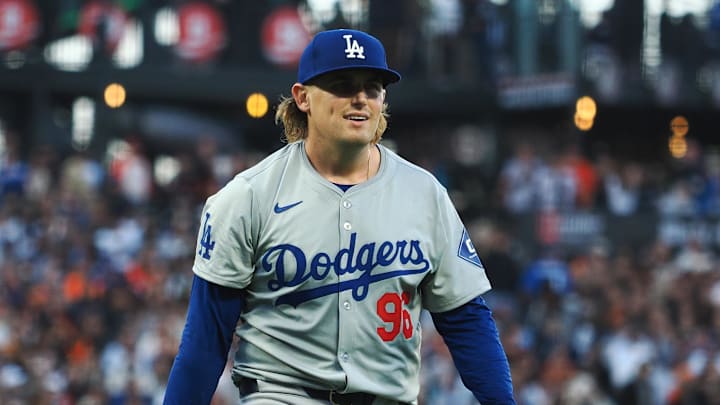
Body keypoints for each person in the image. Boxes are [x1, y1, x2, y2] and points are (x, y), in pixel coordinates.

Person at [164, 28, 515, 405]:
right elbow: (205, 341)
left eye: (372, 87)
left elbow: (467, 322)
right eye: (342, 85)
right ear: (303, 98)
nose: (360, 98)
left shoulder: (424, 193)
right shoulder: (248, 196)